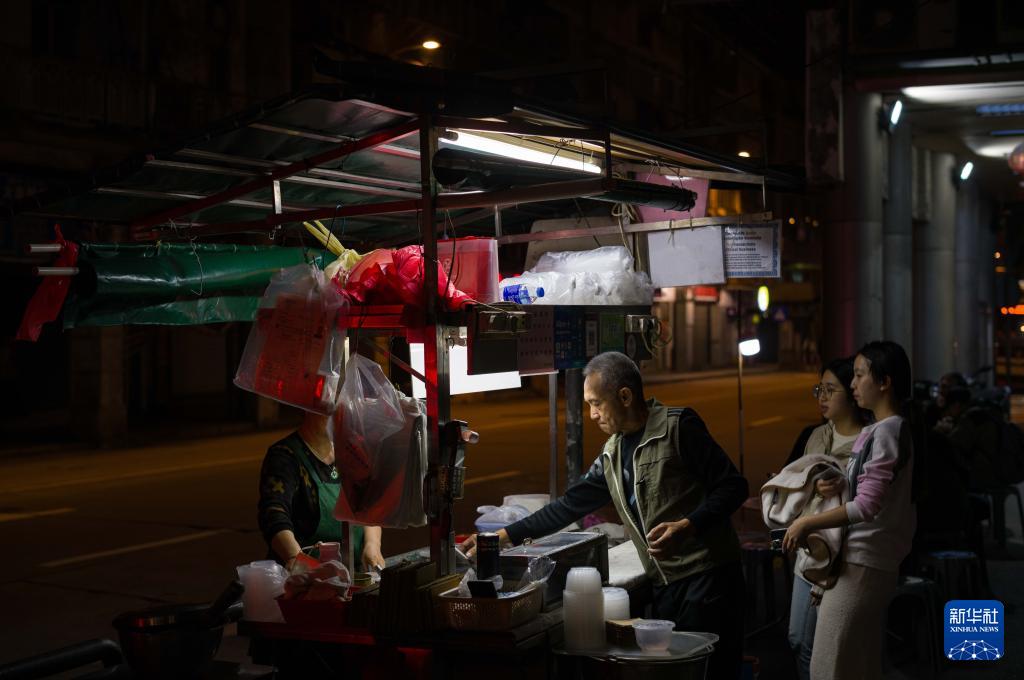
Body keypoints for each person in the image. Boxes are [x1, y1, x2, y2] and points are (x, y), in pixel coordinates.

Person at [462, 351, 748, 678]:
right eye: (587, 405)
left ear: (624, 396)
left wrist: (688, 526)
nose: (592, 414)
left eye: (596, 403)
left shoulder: (678, 427)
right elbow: (569, 505)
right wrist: (502, 536)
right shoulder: (612, 452)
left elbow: (733, 486)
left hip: (709, 580)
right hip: (665, 587)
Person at [782, 341, 916, 680]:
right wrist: (837, 483)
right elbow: (868, 488)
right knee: (860, 665)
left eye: (859, 376)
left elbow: (868, 505)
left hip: (862, 562)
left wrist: (808, 523)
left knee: (826, 667)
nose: (854, 384)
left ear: (883, 382)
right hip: (861, 561)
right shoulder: (879, 430)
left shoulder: (887, 431)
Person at [786, 357, 868, 680]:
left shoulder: (867, 441)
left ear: (851, 393)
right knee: (796, 639)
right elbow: (794, 487)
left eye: (830, 390)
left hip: (843, 558)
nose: (822, 396)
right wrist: (812, 485)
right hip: (809, 553)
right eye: (819, 388)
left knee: (816, 647)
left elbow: (866, 506)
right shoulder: (818, 436)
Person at [258, 411, 385, 572]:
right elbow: (273, 514)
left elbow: (370, 506)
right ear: (306, 409)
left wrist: (372, 545)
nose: (337, 416)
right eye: (327, 409)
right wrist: (296, 559)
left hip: (354, 571)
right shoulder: (284, 456)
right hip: (304, 578)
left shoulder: (352, 451)